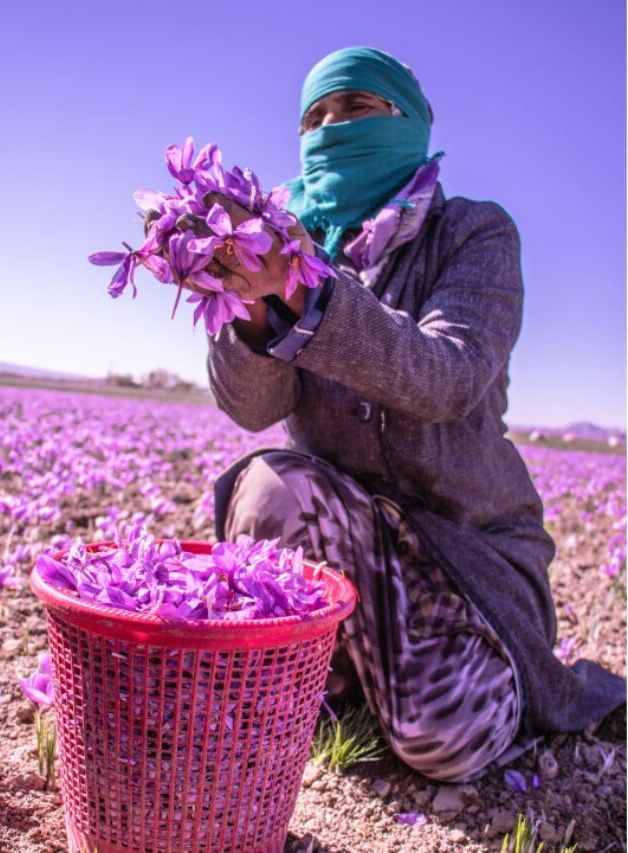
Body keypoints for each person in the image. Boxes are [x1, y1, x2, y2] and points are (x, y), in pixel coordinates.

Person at [197, 47, 625, 782]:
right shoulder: (287, 242)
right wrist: (248, 305)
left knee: (446, 740)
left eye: (357, 108)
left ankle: (425, 678)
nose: (331, 129)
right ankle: (338, 672)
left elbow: (445, 377)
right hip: (348, 546)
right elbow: (254, 407)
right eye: (315, 117)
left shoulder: (474, 234)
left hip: (469, 559)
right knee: (271, 483)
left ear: (411, 123)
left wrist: (309, 295)